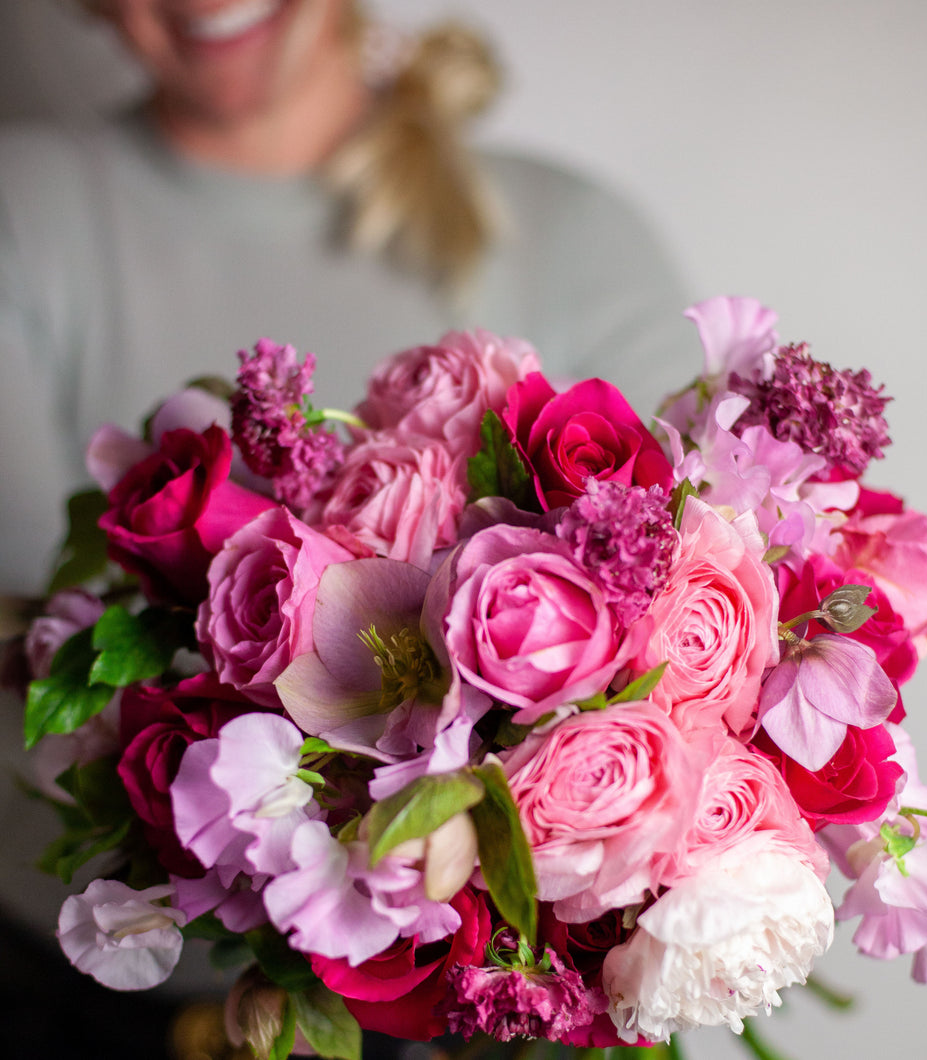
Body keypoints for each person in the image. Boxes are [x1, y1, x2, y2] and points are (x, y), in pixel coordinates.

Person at [0, 2, 694, 1056]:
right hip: (53, 996)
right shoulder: (26, 207)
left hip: (457, 1018)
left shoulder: (570, 234)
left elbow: (691, 637)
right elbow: (28, 636)